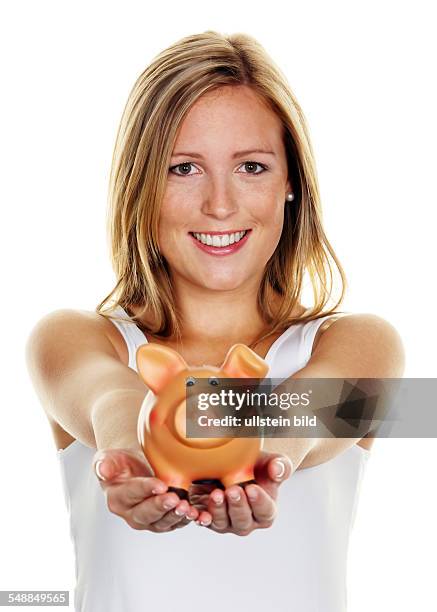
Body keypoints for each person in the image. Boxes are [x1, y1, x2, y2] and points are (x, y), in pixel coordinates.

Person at [25, 30, 405, 612]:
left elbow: (313, 413)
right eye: (184, 168)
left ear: (291, 185)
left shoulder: (361, 344)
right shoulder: (73, 337)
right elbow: (109, 399)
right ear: (142, 185)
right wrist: (138, 455)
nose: (220, 205)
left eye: (252, 166)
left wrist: (258, 456)